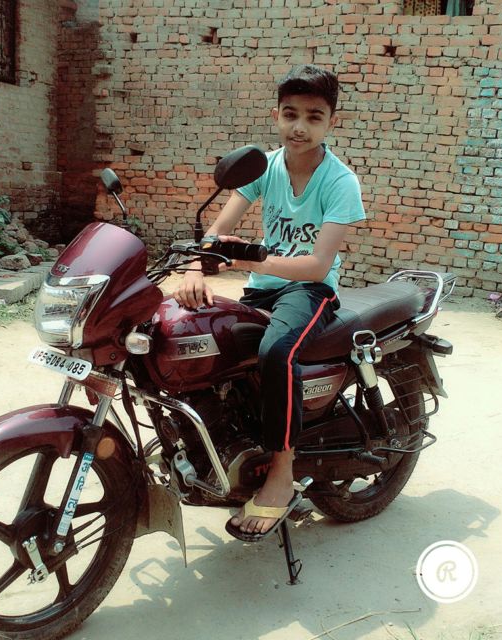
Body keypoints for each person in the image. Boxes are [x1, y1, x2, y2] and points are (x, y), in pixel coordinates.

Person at [173, 64, 367, 541]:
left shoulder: (340, 182)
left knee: (276, 351)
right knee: (199, 337)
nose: (299, 127)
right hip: (262, 287)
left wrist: (244, 259)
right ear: (276, 115)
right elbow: (219, 229)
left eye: (314, 117)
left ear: (332, 122)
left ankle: (282, 471)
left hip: (310, 291)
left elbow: (317, 266)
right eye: (290, 114)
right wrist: (196, 266)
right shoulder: (264, 167)